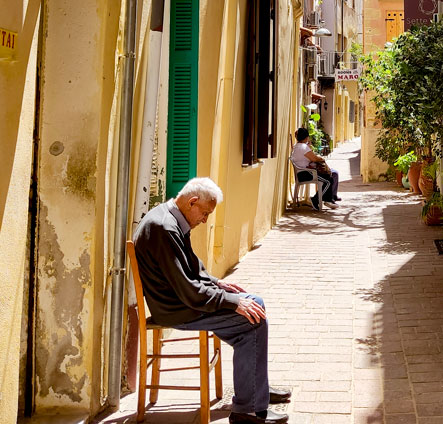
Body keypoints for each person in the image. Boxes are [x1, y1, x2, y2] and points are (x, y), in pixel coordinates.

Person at [132, 177, 290, 424]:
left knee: (255, 303)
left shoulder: (171, 217)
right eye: (204, 214)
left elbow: (191, 268)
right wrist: (232, 302)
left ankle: (255, 388)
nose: (204, 220)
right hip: (177, 308)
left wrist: (217, 283)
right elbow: (189, 290)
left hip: (181, 301)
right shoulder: (165, 228)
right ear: (192, 202)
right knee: (252, 321)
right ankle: (247, 410)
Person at [289, 127, 340, 210]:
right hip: (306, 173)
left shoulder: (298, 146)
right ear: (306, 137)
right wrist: (321, 159)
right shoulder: (303, 147)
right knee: (328, 181)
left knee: (331, 175)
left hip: (304, 172)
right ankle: (316, 199)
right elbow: (315, 159)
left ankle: (329, 199)